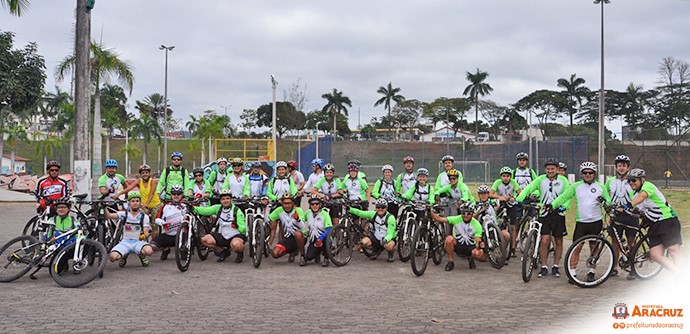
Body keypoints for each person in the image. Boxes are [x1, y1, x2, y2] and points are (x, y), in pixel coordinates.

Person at [550, 162, 611, 283]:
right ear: (581, 174)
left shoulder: (601, 187)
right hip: (581, 222)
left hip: (596, 221)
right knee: (576, 247)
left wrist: (605, 202)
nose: (587, 175)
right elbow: (563, 197)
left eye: (590, 173)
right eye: (585, 172)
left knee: (594, 248)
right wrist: (552, 205)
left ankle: (591, 272)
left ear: (594, 174)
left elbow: (609, 202)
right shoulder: (575, 186)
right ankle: (572, 272)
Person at [515, 157, 570, 278]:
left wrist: (564, 207)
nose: (550, 171)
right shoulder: (540, 179)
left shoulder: (563, 181)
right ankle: (544, 266)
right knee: (544, 240)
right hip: (544, 214)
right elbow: (527, 189)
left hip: (558, 215)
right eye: (548, 168)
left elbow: (568, 196)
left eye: (553, 168)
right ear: (545, 169)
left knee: (558, 241)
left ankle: (555, 266)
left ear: (557, 169)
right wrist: (518, 200)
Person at [628, 168, 684, 274]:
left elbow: (642, 196)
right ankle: (679, 273)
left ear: (642, 180)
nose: (631, 183)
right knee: (655, 255)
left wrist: (629, 204)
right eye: (629, 180)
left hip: (667, 220)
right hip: (654, 224)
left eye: (634, 180)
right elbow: (641, 210)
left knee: (674, 250)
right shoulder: (632, 194)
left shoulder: (648, 186)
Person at [605, 155, 638, 280]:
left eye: (624, 165)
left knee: (631, 241)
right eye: (619, 165)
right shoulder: (610, 181)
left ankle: (633, 268)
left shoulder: (632, 181)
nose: (622, 168)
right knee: (615, 241)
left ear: (628, 167)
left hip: (631, 215)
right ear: (616, 167)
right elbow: (604, 193)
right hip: (616, 215)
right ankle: (614, 267)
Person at [193, 189, 247, 263]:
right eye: (223, 199)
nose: (225, 201)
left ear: (231, 199)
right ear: (220, 201)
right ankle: (223, 252)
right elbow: (205, 210)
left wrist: (238, 226)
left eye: (227, 198)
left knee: (236, 245)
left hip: (235, 235)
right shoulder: (218, 208)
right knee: (205, 240)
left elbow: (243, 228)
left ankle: (240, 252)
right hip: (223, 235)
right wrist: (193, 209)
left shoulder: (237, 211)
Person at [104, 192, 154, 268]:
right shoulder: (124, 214)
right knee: (112, 257)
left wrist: (144, 235)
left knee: (149, 251)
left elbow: (146, 233)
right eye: (133, 201)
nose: (135, 203)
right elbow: (109, 215)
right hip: (125, 242)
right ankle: (124, 255)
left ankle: (141, 255)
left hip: (138, 242)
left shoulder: (144, 217)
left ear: (140, 203)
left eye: (137, 201)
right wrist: (104, 207)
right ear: (129, 203)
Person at [430, 203, 485, 271]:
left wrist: (479, 245)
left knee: (480, 254)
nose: (465, 215)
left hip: (470, 247)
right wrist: (430, 213)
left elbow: (477, 240)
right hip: (458, 245)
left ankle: (470, 258)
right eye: (463, 213)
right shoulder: (457, 219)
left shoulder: (477, 224)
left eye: (468, 213)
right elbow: (440, 219)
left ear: (472, 214)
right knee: (449, 239)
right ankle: (451, 262)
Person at [115, 164, 162, 237]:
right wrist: (118, 194)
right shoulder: (139, 182)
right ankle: (142, 234)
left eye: (146, 172)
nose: (145, 174)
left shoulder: (152, 181)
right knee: (140, 218)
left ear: (149, 173)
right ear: (140, 174)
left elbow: (151, 194)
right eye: (143, 173)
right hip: (144, 206)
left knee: (154, 224)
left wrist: (147, 203)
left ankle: (154, 243)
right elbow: (129, 188)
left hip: (154, 204)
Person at [489, 166, 521, 258]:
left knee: (513, 226)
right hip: (501, 203)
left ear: (510, 177)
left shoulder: (513, 182)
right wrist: (499, 197)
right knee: (497, 220)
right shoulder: (497, 183)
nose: (505, 178)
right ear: (501, 176)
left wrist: (514, 198)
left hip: (511, 204)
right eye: (503, 176)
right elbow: (490, 194)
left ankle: (513, 248)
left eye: (507, 176)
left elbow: (520, 192)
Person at [268, 193, 307, 265]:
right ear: (282, 203)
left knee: (297, 234)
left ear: (293, 203)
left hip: (301, 237)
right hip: (288, 238)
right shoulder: (279, 210)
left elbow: (303, 227)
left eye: (289, 203)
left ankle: (302, 256)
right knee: (275, 254)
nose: (287, 205)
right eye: (285, 203)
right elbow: (268, 219)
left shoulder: (298, 210)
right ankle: (292, 251)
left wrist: (297, 219)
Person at [151, 184, 187, 260]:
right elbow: (157, 219)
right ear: (171, 195)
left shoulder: (185, 206)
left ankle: (183, 250)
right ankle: (166, 249)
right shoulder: (165, 206)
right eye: (174, 194)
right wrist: (162, 223)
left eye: (178, 194)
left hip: (182, 235)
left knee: (188, 241)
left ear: (182, 195)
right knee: (152, 246)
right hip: (168, 234)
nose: (176, 196)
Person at [303, 195, 333, 267]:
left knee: (325, 240)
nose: (315, 205)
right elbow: (301, 221)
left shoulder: (325, 214)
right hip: (314, 240)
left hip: (324, 238)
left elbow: (329, 229)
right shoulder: (308, 213)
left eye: (317, 204)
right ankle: (317, 253)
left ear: (320, 204)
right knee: (309, 257)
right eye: (312, 204)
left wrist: (321, 238)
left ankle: (326, 258)